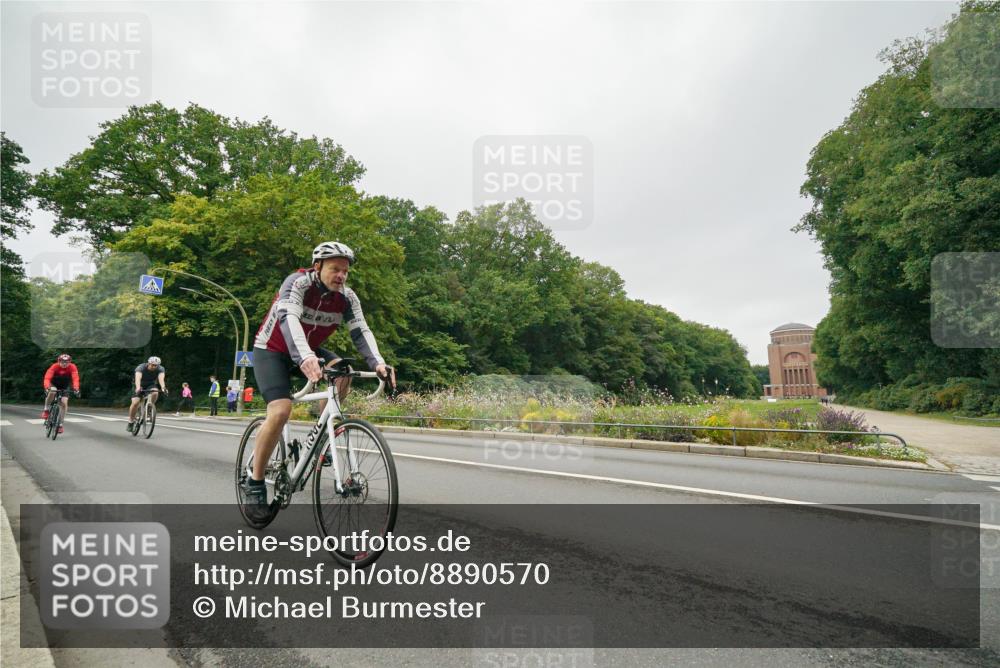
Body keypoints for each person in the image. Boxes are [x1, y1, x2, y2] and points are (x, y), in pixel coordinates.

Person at [242, 241, 394, 522]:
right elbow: (288, 319)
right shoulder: (297, 283)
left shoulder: (347, 298)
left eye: (345, 271)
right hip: (272, 349)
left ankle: (323, 436)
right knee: (280, 411)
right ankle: (255, 482)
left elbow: (361, 331)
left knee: (343, 370)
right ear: (317, 267)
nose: (341, 276)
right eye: (335, 269)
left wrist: (379, 363)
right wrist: (304, 358)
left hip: (308, 349)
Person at [42, 354, 81, 434]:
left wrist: (76, 389)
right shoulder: (54, 366)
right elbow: (47, 378)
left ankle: (60, 424)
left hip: (64, 386)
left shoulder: (72, 367)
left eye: (67, 362)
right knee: (52, 391)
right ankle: (46, 410)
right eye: (62, 362)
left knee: (64, 403)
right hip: (53, 384)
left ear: (70, 362)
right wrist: (47, 387)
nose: (64, 364)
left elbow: (75, 378)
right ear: (59, 361)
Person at [127, 356, 167, 431]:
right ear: (148, 363)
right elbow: (137, 378)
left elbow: (161, 379)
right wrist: (138, 387)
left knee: (155, 392)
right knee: (135, 403)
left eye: (156, 365)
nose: (154, 367)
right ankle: (131, 421)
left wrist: (163, 388)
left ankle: (149, 408)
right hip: (139, 384)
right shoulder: (141, 367)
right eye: (152, 365)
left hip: (150, 385)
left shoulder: (160, 369)